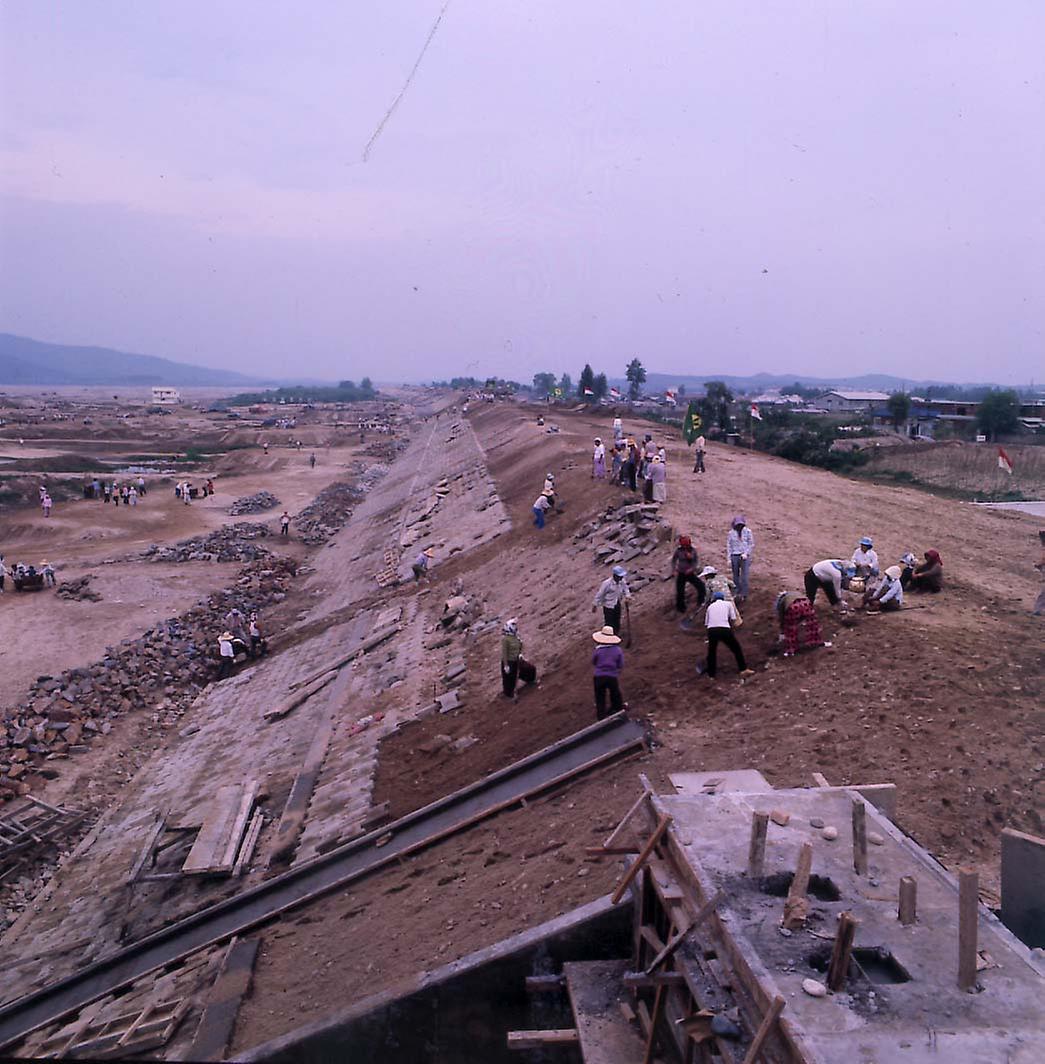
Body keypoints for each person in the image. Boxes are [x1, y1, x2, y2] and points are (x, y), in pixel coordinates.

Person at [701, 592, 754, 679]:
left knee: (712, 652)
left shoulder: (710, 607)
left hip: (712, 630)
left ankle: (711, 675)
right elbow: (733, 618)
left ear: (714, 599)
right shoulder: (728, 604)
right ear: (723, 598)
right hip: (724, 629)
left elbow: (706, 623)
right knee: (736, 648)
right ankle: (743, 669)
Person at [775, 591, 825, 656]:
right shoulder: (795, 594)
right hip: (806, 603)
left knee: (790, 629)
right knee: (812, 624)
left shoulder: (780, 603)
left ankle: (791, 650)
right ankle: (817, 642)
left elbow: (782, 617)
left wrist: (782, 630)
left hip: (793, 606)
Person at [592, 625, 625, 719]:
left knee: (600, 696)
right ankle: (617, 709)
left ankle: (601, 715)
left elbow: (594, 661)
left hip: (599, 676)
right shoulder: (617, 650)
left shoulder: (598, 650)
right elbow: (621, 663)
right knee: (615, 693)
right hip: (612, 675)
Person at [593, 565, 631, 634]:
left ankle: (616, 635)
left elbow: (626, 588)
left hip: (617, 603)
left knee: (617, 620)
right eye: (620, 576)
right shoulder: (607, 584)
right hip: (608, 606)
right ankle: (608, 637)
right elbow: (600, 594)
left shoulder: (622, 581)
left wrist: (627, 596)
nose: (621, 577)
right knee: (609, 623)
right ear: (615, 576)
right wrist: (595, 605)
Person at [672, 536, 704, 613]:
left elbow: (696, 562)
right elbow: (674, 560)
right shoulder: (678, 551)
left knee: (701, 586)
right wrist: (674, 569)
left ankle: (701, 601)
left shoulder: (693, 550)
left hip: (690, 573)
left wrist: (692, 569)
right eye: (684, 545)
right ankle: (681, 608)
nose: (685, 547)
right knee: (680, 591)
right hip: (681, 572)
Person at [727, 516, 754, 603]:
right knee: (735, 575)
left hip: (744, 556)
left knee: (744, 576)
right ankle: (736, 592)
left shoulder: (748, 532)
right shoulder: (731, 533)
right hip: (734, 555)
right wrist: (729, 558)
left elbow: (751, 544)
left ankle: (744, 594)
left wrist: (746, 553)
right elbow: (729, 546)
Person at [500, 619, 523, 698]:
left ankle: (514, 691)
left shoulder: (516, 636)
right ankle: (509, 693)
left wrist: (520, 654)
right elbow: (504, 653)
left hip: (516, 659)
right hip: (509, 662)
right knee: (508, 679)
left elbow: (520, 645)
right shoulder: (506, 640)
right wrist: (506, 665)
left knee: (515, 675)